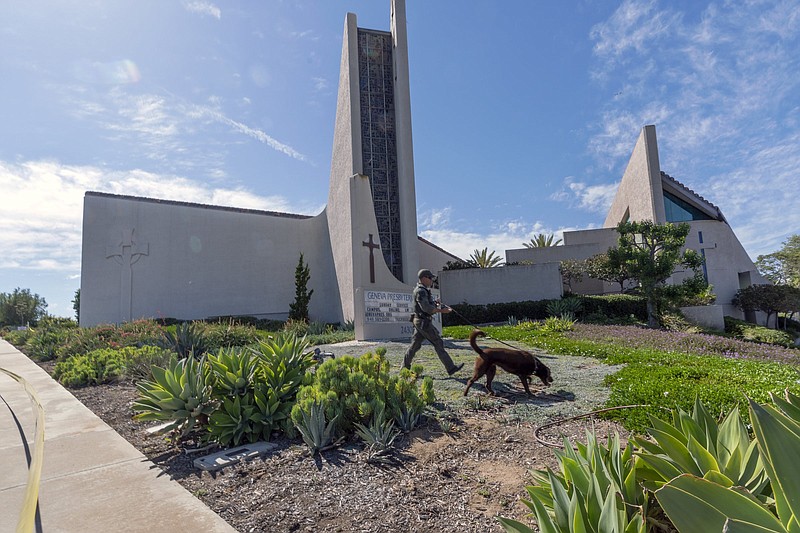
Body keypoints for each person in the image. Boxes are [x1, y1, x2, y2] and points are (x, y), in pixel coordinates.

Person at [403, 269, 464, 375]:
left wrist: (435, 303)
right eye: (430, 278)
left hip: (420, 321)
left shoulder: (422, 290)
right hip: (423, 322)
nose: (432, 280)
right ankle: (451, 368)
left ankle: (404, 368)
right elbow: (427, 308)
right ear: (424, 278)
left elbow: (427, 306)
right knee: (438, 342)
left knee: (415, 345)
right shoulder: (421, 291)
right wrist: (442, 311)